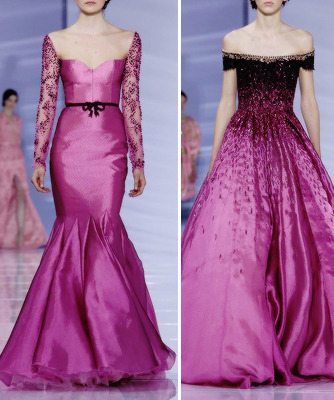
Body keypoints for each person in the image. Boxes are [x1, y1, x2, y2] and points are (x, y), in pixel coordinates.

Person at [181, 0, 334, 388]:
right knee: (240, 240)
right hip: (242, 143)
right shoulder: (233, 39)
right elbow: (227, 101)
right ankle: (245, 346)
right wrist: (213, 160)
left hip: (287, 142)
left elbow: (308, 100)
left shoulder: (302, 39)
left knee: (296, 239)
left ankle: (295, 342)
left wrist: (316, 157)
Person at [0, 0, 175, 387]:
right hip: (69, 145)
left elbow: (132, 101)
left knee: (106, 229)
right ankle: (68, 350)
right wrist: (39, 157)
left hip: (110, 144)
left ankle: (112, 348)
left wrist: (139, 159)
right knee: (72, 233)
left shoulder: (129, 40)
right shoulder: (55, 40)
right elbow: (47, 100)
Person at [0, 89, 47, 249]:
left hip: (17, 158)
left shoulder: (18, 120)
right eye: (10, 100)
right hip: (3, 159)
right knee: (5, 196)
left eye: (15, 101)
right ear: (5, 100)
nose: (12, 103)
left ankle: (21, 236)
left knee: (22, 195)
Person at [181, 91, 201, 201]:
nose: (181, 105)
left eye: (183, 102)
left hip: (186, 162)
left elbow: (195, 145)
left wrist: (193, 166)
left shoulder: (191, 123)